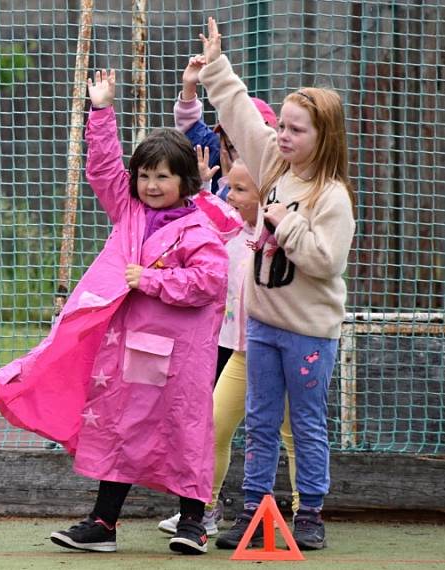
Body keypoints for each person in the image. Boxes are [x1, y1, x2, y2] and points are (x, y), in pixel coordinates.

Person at [20, 69, 229, 556]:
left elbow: (211, 282)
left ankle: (193, 523)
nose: (152, 185)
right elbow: (103, 169)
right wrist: (101, 111)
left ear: (186, 180)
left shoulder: (199, 227)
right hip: (136, 349)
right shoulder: (129, 211)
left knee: (186, 427)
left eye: (163, 176)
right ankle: (102, 522)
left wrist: (151, 279)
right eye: (145, 175)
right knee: (122, 425)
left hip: (185, 356)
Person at [197, 18, 356, 551]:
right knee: (260, 422)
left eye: (295, 130)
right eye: (281, 127)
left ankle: (309, 512)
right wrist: (217, 67)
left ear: (323, 137)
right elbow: (242, 116)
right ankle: (253, 511)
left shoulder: (331, 196)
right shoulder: (273, 167)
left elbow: (326, 261)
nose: (282, 137)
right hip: (262, 327)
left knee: (306, 424)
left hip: (308, 334)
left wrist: (282, 222)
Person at [157, 158, 300, 539]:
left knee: (293, 434)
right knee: (213, 428)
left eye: (240, 189)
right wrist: (201, 189)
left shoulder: (274, 231)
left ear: (266, 193)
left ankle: (305, 514)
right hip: (240, 352)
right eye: (229, 188)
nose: (230, 196)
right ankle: (204, 509)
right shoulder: (227, 228)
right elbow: (199, 218)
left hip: (280, 349)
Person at [174, 54, 280, 203]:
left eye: (250, 143)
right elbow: (190, 125)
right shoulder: (215, 157)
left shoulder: (279, 169)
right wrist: (189, 85)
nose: (243, 152)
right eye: (234, 146)